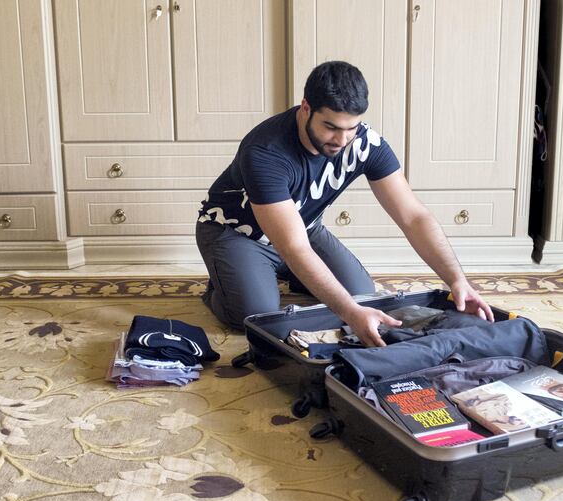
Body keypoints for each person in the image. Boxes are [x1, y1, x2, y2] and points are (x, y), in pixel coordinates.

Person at [195, 61, 493, 347]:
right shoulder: (265, 152)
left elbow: (413, 216)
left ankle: (290, 277)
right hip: (237, 234)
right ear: (305, 108)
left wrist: (457, 280)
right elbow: (293, 247)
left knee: (362, 295)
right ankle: (222, 283)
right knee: (257, 315)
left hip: (303, 230)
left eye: (352, 128)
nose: (342, 139)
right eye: (331, 127)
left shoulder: (364, 142)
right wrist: (348, 313)